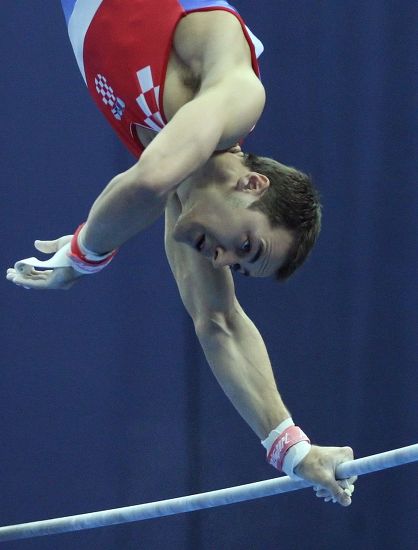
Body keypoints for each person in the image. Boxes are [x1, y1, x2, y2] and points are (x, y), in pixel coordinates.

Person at [6, 0, 356, 505]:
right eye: (245, 246)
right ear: (252, 184)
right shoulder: (237, 95)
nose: (222, 261)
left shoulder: (184, 191)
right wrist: (83, 256)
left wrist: (293, 450)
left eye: (239, 266)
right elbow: (147, 181)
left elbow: (220, 323)